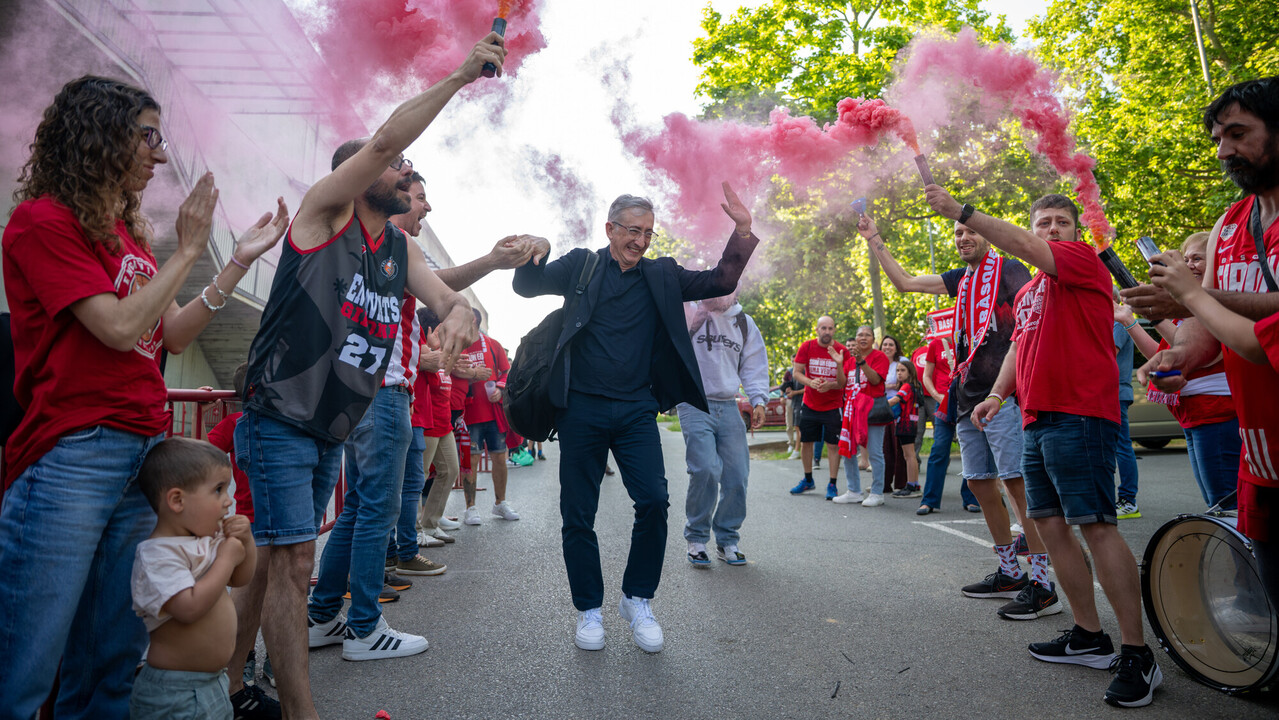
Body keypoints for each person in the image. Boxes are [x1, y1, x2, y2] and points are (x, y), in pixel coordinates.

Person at [233, 36, 536, 715]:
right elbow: (382, 141)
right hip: (279, 413)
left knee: (277, 555)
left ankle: (226, 682)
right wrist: (460, 74)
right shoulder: (325, 214)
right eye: (397, 166)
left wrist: (461, 316)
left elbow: (450, 298)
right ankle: (300, 710)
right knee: (291, 564)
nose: (406, 173)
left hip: (327, 425)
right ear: (359, 174)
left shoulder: (399, 246)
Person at [0, 75, 288, 719]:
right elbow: (119, 326)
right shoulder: (41, 222)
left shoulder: (121, 235)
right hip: (75, 452)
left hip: (142, 451)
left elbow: (167, 332)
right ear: (100, 134)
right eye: (147, 135)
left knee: (113, 652)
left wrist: (235, 261)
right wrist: (188, 250)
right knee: (27, 660)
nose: (160, 154)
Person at [928, 187, 1161, 707]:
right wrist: (995, 394)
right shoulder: (1032, 290)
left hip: (1082, 413)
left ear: (1075, 231)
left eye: (1061, 221)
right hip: (1035, 419)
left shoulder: (1079, 261)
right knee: (1051, 527)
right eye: (1043, 222)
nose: (1051, 229)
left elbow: (1028, 250)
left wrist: (965, 213)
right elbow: (1019, 343)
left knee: (1097, 528)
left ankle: (1137, 654)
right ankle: (1088, 636)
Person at [512, 183, 757, 653]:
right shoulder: (581, 265)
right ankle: (588, 610)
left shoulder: (662, 275)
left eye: (648, 233)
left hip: (635, 410)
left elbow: (718, 281)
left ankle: (637, 599)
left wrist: (742, 233)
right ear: (610, 229)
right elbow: (527, 286)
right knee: (577, 514)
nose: (641, 241)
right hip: (579, 409)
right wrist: (535, 251)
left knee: (654, 502)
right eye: (632, 231)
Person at [858, 212, 1056, 621]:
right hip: (966, 398)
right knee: (981, 484)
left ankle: (1042, 582)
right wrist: (874, 237)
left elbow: (1037, 322)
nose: (963, 237)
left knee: (1018, 486)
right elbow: (906, 283)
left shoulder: (1012, 269)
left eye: (970, 231)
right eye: (958, 233)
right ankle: (1008, 572)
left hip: (1005, 395)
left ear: (987, 234)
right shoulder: (962, 281)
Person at [1133, 76, 1279, 609]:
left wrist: (1192, 296)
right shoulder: (1230, 223)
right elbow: (1209, 328)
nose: (1224, 151)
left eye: (1238, 133)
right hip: (1260, 461)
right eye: (1218, 138)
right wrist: (1177, 355)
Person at [129, 438, 256, 720]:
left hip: (213, 684)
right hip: (176, 694)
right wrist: (225, 558)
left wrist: (245, 544)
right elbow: (188, 608)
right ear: (177, 500)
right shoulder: (158, 555)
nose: (229, 500)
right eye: (218, 490)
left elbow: (241, 578)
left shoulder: (203, 539)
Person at [1117, 233, 1238, 510]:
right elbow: (1162, 356)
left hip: (1215, 411)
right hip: (1192, 413)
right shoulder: (1184, 305)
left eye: (1198, 259)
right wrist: (1129, 321)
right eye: (1186, 260)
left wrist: (1155, 315)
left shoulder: (1215, 301)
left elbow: (1201, 355)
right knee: (1216, 502)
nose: (1190, 265)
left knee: (1225, 502)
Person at [208, 364, 281, 718]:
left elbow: (206, 450)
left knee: (263, 591)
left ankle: (261, 662)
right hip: (251, 523)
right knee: (252, 591)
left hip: (259, 520)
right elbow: (205, 452)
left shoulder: (239, 422)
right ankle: (250, 661)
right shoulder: (243, 422)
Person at [679, 287, 769, 567]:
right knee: (705, 469)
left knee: (737, 475)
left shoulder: (744, 322)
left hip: (729, 404)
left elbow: (754, 364)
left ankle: (728, 539)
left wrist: (759, 401)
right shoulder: (691, 311)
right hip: (694, 402)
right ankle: (696, 538)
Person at [460, 308, 520, 524]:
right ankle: (470, 508)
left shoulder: (493, 345)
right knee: (470, 460)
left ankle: (500, 503)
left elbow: (506, 372)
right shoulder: (458, 344)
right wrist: (470, 376)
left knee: (499, 458)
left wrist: (501, 390)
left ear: (474, 321)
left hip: (493, 414)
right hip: (469, 413)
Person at [917, 334, 980, 514]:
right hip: (943, 402)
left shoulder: (974, 338)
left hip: (968, 402)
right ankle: (929, 500)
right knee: (939, 449)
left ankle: (971, 498)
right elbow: (926, 377)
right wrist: (937, 396)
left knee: (971, 449)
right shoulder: (937, 343)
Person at [790, 316, 850, 498]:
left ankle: (832, 484)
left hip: (833, 405)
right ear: (817, 329)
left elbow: (842, 383)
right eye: (823, 328)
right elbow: (796, 373)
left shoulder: (841, 350)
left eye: (830, 328)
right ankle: (808, 479)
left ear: (834, 330)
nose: (827, 332)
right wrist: (811, 382)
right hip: (810, 404)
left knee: (833, 445)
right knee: (806, 442)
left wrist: (831, 381)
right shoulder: (807, 347)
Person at [835, 325, 890, 505]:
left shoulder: (880, 357)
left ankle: (877, 493)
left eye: (867, 335)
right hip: (852, 411)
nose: (863, 338)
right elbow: (842, 383)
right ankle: (854, 491)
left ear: (873, 340)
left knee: (875, 453)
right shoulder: (849, 359)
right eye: (860, 335)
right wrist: (838, 363)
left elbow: (875, 380)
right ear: (856, 339)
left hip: (873, 410)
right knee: (848, 451)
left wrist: (862, 361)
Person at [1110, 287, 1141, 519]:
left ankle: (1128, 501)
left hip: (1116, 393)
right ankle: (1114, 499)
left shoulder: (1118, 322)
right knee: (1111, 448)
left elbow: (1108, 351)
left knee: (1122, 446)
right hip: (1108, 393)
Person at [878, 335, 913, 497]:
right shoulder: (877, 360)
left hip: (899, 409)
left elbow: (905, 382)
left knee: (899, 448)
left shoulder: (902, 360)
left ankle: (901, 484)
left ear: (896, 347)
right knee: (884, 448)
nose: (887, 347)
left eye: (891, 344)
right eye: (884, 344)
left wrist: (887, 386)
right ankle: (884, 484)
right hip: (881, 409)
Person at [887, 361, 922, 497]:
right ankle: (913, 483)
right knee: (908, 455)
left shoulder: (907, 386)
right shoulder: (912, 386)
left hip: (906, 424)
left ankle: (912, 485)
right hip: (907, 423)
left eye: (902, 370)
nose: (899, 373)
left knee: (909, 455)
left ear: (910, 372)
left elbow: (895, 400)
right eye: (897, 370)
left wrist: (876, 404)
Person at [782, 367, 803, 457]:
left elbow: (809, 387)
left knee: (799, 428)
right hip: (794, 402)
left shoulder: (805, 371)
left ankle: (797, 450)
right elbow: (785, 384)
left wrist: (795, 392)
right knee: (794, 426)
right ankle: (794, 447)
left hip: (803, 402)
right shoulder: (791, 372)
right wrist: (787, 391)